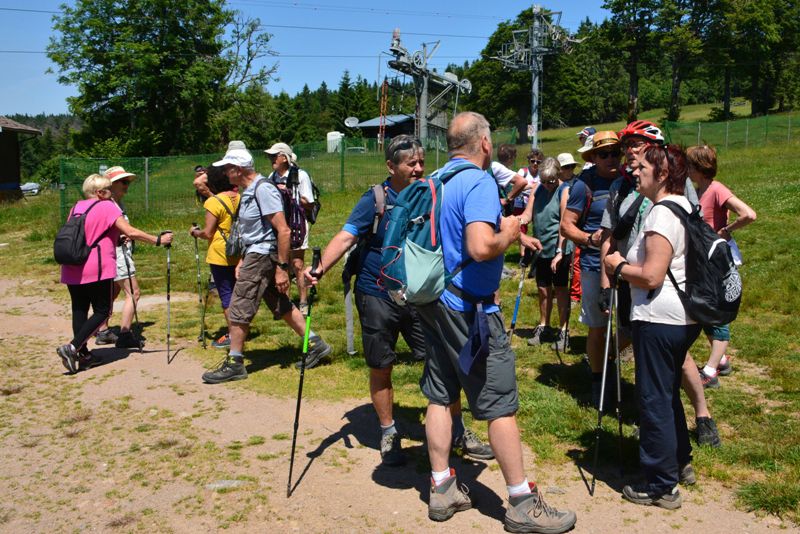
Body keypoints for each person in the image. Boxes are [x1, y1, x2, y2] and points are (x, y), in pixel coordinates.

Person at [416, 112, 575, 532]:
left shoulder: (436, 179)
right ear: (484, 143)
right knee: (500, 404)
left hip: (434, 300)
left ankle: (441, 486)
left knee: (440, 394)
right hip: (470, 309)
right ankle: (522, 503)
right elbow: (481, 245)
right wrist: (512, 229)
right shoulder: (480, 181)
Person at [304, 135, 493, 467]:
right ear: (391, 166)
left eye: (421, 162)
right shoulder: (375, 199)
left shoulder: (432, 193)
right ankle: (389, 431)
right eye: (411, 163)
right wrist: (319, 269)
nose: (419, 168)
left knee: (443, 364)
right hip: (377, 292)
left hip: (423, 294)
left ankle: (459, 430)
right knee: (381, 365)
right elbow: (347, 234)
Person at [606, 121, 721, 448]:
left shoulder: (675, 184)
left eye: (636, 145)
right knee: (647, 352)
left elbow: (692, 233)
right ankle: (664, 429)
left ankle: (701, 415)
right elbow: (610, 236)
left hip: (667, 287)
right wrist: (608, 278)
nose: (629, 152)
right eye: (626, 145)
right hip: (631, 282)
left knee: (678, 356)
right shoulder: (621, 187)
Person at [604, 144, 700, 510]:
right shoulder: (686, 206)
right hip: (683, 318)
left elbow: (651, 275)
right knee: (667, 392)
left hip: (659, 318)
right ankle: (678, 462)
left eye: (642, 166)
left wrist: (617, 267)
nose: (635, 171)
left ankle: (661, 486)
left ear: (662, 174)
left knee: (654, 399)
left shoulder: (661, 214)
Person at [200, 145, 332, 384]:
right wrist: (242, 259)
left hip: (263, 256)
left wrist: (282, 269)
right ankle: (314, 343)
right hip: (256, 254)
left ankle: (235, 362)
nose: (225, 174)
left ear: (238, 170)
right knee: (279, 302)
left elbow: (283, 230)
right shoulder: (251, 189)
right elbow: (251, 230)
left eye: (227, 169)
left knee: (240, 303)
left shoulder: (262, 190)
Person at [57, 174, 172, 373]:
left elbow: (88, 233)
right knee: (103, 310)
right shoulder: (107, 206)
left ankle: (83, 355)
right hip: (96, 266)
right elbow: (131, 232)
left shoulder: (77, 207)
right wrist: (158, 240)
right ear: (100, 193)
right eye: (109, 189)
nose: (112, 193)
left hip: (72, 265)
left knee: (80, 309)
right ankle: (73, 347)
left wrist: (114, 239)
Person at [687, 144, 757, 388]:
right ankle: (722, 360)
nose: (686, 168)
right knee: (704, 308)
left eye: (689, 164)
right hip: (701, 259)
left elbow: (748, 214)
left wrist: (726, 231)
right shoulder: (696, 190)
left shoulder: (716, 189)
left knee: (718, 312)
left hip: (717, 259)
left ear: (699, 167)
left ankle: (710, 371)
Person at [560, 131, 620, 409]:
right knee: (597, 326)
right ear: (593, 158)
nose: (611, 158)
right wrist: (588, 239)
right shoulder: (584, 185)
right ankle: (598, 381)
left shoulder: (630, 180)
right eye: (603, 154)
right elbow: (567, 225)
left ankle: (607, 361)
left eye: (614, 152)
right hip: (595, 265)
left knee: (630, 328)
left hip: (628, 265)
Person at [518, 157, 573, 347]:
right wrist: (518, 223)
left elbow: (564, 224)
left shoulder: (564, 190)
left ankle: (564, 330)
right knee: (542, 287)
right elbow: (528, 214)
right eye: (544, 181)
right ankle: (545, 325)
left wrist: (560, 251)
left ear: (558, 175)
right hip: (541, 247)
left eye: (551, 181)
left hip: (559, 247)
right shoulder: (537, 188)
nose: (548, 185)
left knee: (560, 288)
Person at [95, 166, 147, 349]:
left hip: (112, 254)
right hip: (116, 254)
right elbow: (126, 231)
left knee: (113, 292)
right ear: (111, 184)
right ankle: (125, 334)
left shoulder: (115, 203)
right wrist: (157, 240)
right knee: (134, 293)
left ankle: (102, 330)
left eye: (128, 182)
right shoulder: (110, 204)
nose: (127, 185)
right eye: (123, 182)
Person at [189, 164, 241, 349]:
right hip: (239, 251)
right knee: (237, 293)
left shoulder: (213, 202)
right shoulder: (239, 198)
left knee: (226, 295)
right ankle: (241, 329)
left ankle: (233, 335)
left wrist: (195, 233)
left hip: (220, 253)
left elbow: (208, 233)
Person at [265, 142, 314, 316]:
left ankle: (303, 301)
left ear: (284, 158)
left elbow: (309, 202)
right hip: (280, 224)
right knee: (282, 263)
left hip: (296, 223)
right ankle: (285, 302)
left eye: (274, 156)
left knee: (297, 264)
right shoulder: (272, 177)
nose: (270, 159)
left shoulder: (300, 176)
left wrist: (288, 193)